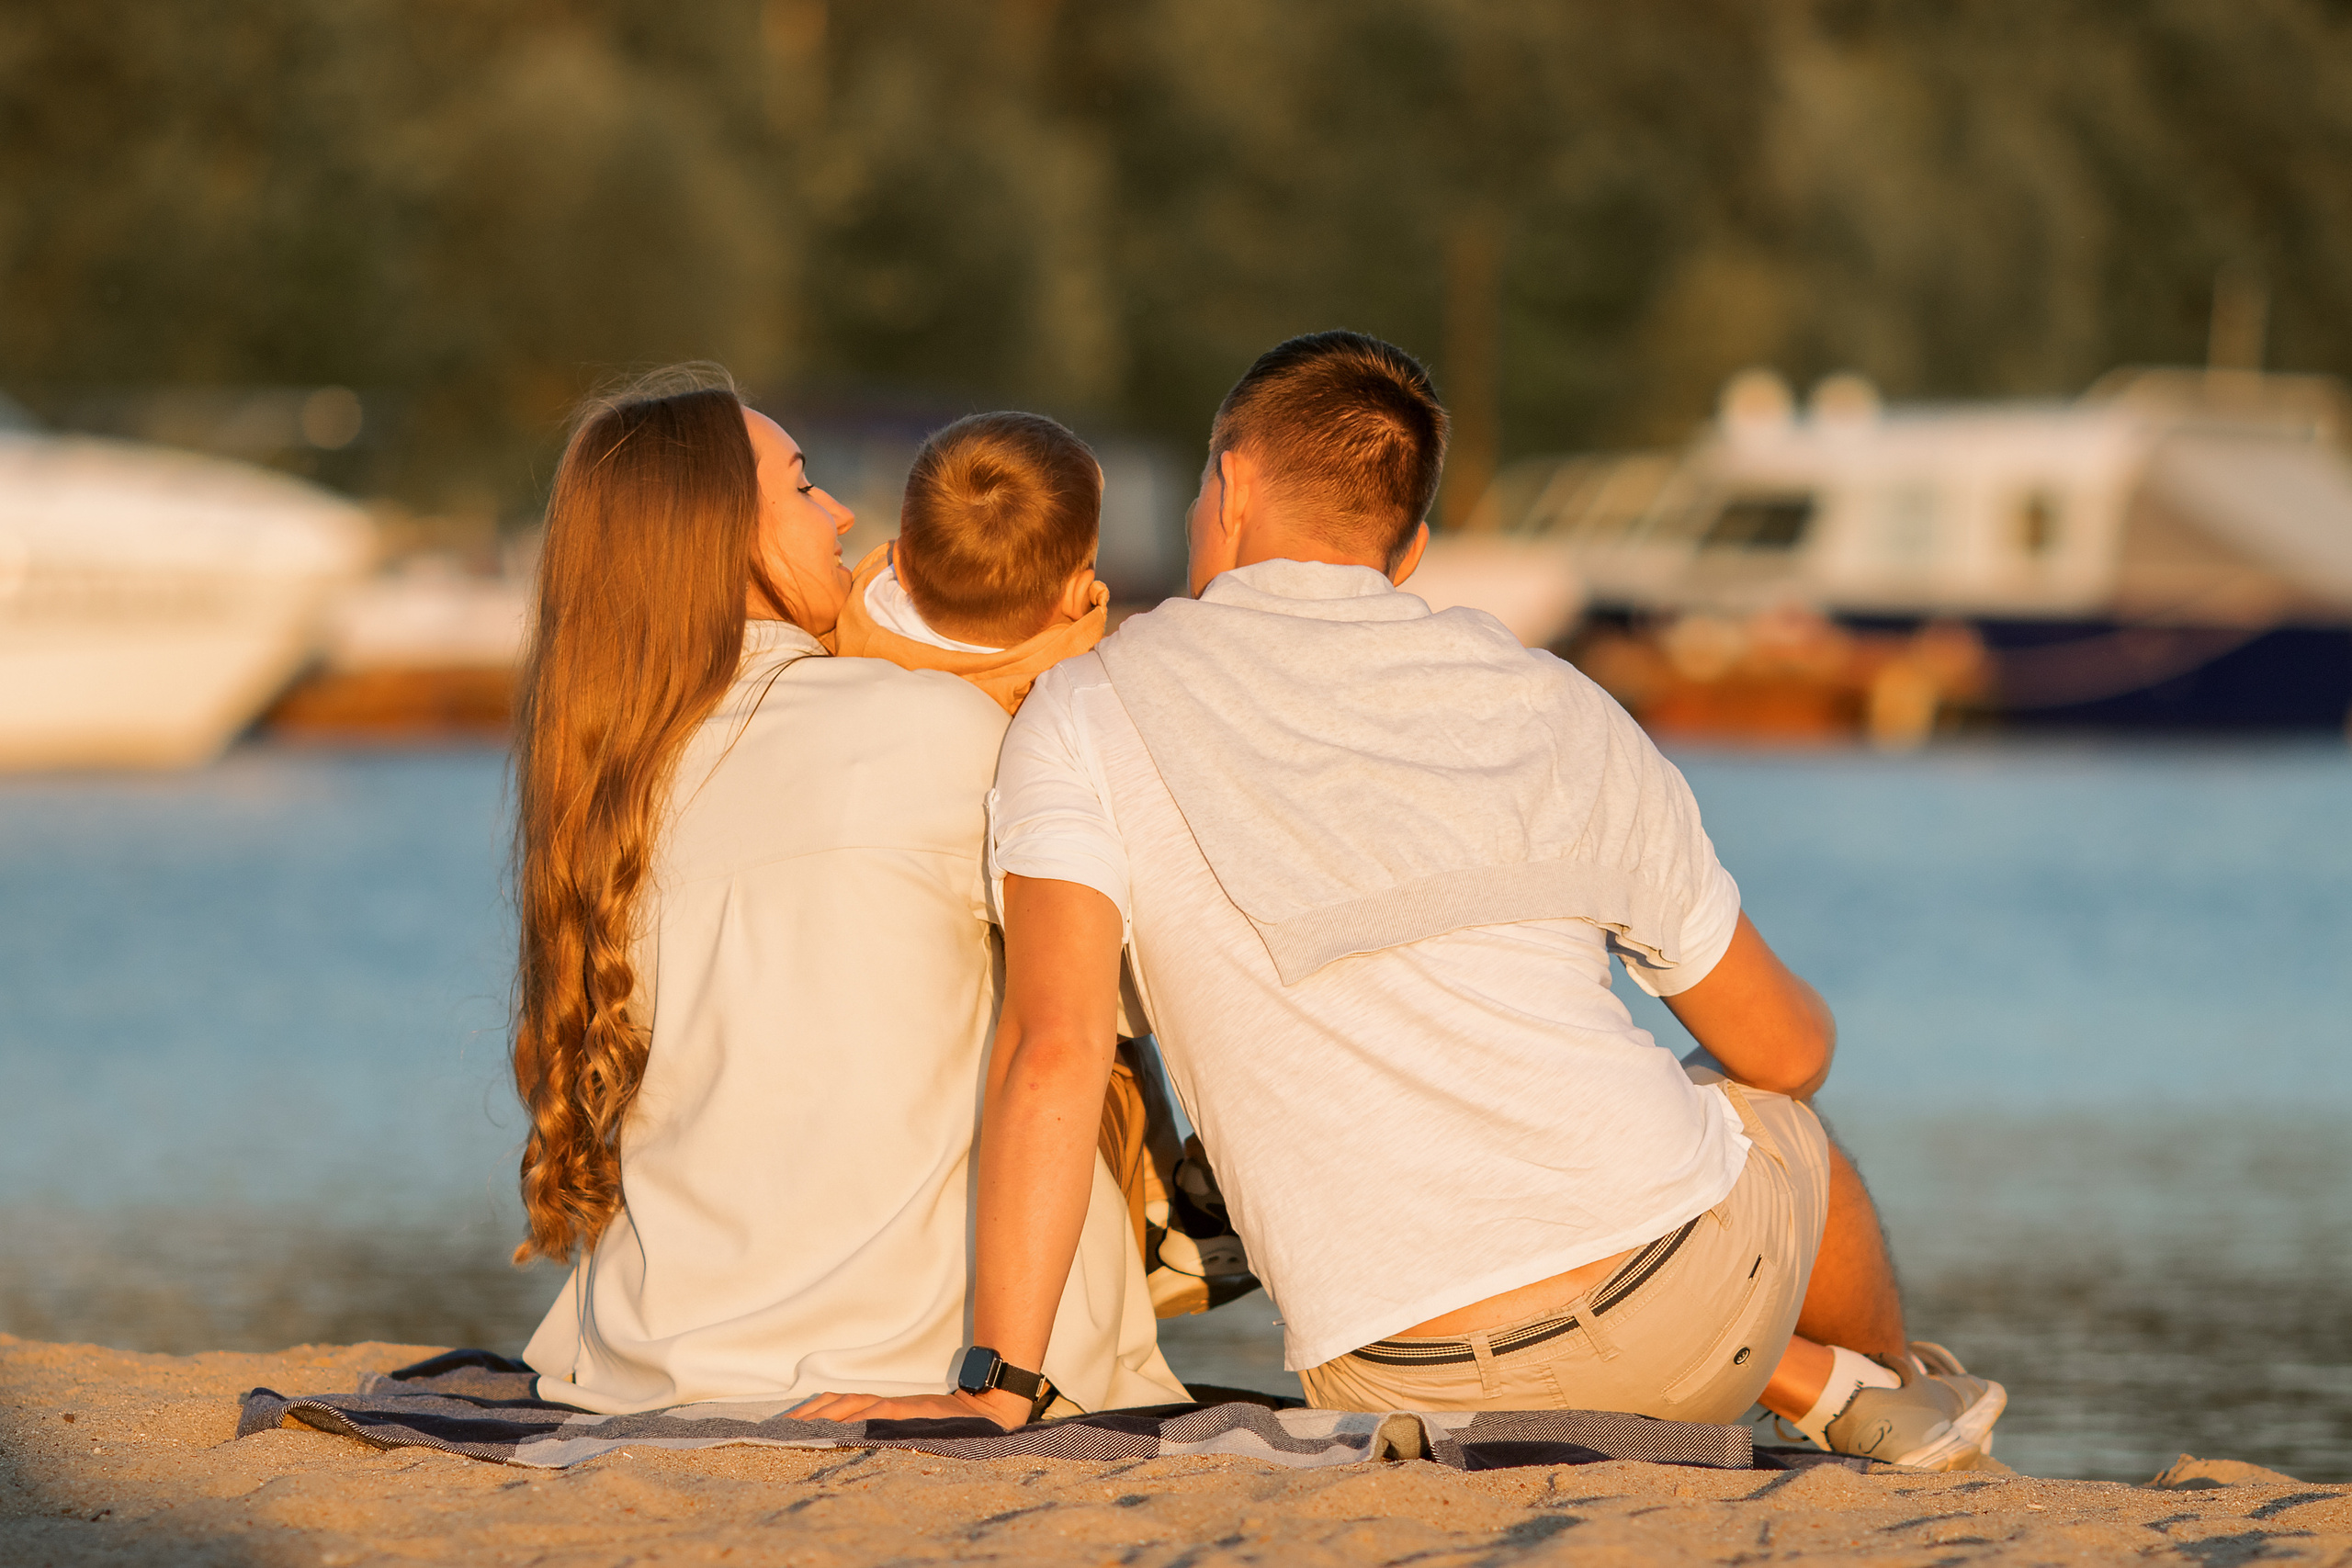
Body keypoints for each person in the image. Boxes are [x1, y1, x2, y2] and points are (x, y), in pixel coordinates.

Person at [797, 332, 2006, 1470]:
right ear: (1410, 548)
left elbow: (1052, 1047)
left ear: (1229, 484)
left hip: (1389, 1373)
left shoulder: (1089, 710)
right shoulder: (1555, 701)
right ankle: (1892, 1392)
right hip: (1683, 1324)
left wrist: (993, 1384)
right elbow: (1791, 1046)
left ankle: (1844, 1385)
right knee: (1774, 1114)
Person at [507, 366, 1184, 1418]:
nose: (844, 513)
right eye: (805, 485)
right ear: (725, 535)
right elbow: (1135, 996)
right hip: (926, 1353)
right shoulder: (942, 732)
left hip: (659, 1355)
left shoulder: (606, 784)